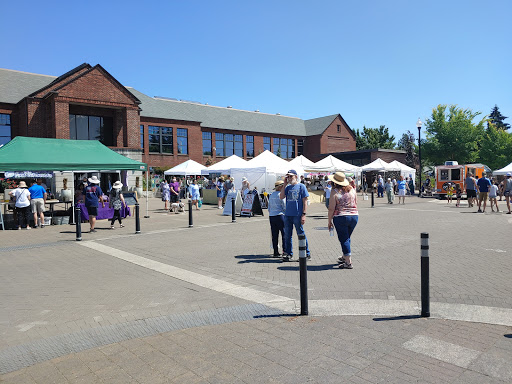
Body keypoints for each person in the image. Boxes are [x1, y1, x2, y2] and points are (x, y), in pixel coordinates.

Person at [328, 172, 358, 269]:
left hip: (341, 216)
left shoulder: (335, 191)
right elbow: (356, 202)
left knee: (344, 239)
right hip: (354, 216)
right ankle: (345, 256)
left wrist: (329, 220)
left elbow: (331, 207)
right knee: (347, 237)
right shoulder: (352, 190)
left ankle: (348, 262)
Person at [280, 169, 310, 261]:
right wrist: (284, 184)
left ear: (296, 176)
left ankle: (306, 253)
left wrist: (304, 214)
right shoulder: (287, 188)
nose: (289, 178)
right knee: (287, 235)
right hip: (288, 215)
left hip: (297, 214)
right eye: (288, 176)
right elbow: (281, 197)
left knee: (300, 234)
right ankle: (289, 253)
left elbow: (305, 201)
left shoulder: (301, 186)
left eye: (291, 176)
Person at [268, 180, 286, 257]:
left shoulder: (271, 195)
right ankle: (284, 250)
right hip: (280, 215)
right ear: (280, 187)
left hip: (272, 216)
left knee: (274, 234)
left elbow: (269, 207)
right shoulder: (281, 195)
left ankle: (276, 251)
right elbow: (284, 206)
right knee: (284, 234)